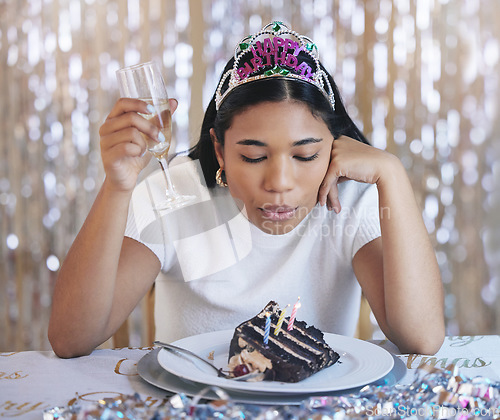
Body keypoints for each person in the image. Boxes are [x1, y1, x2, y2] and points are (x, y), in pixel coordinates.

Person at [48, 22, 445, 358]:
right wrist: (118, 186)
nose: (279, 184)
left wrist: (392, 174)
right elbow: (71, 338)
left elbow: (422, 338)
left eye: (305, 156)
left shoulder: (349, 197)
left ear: (335, 147)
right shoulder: (175, 190)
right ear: (219, 149)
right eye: (254, 157)